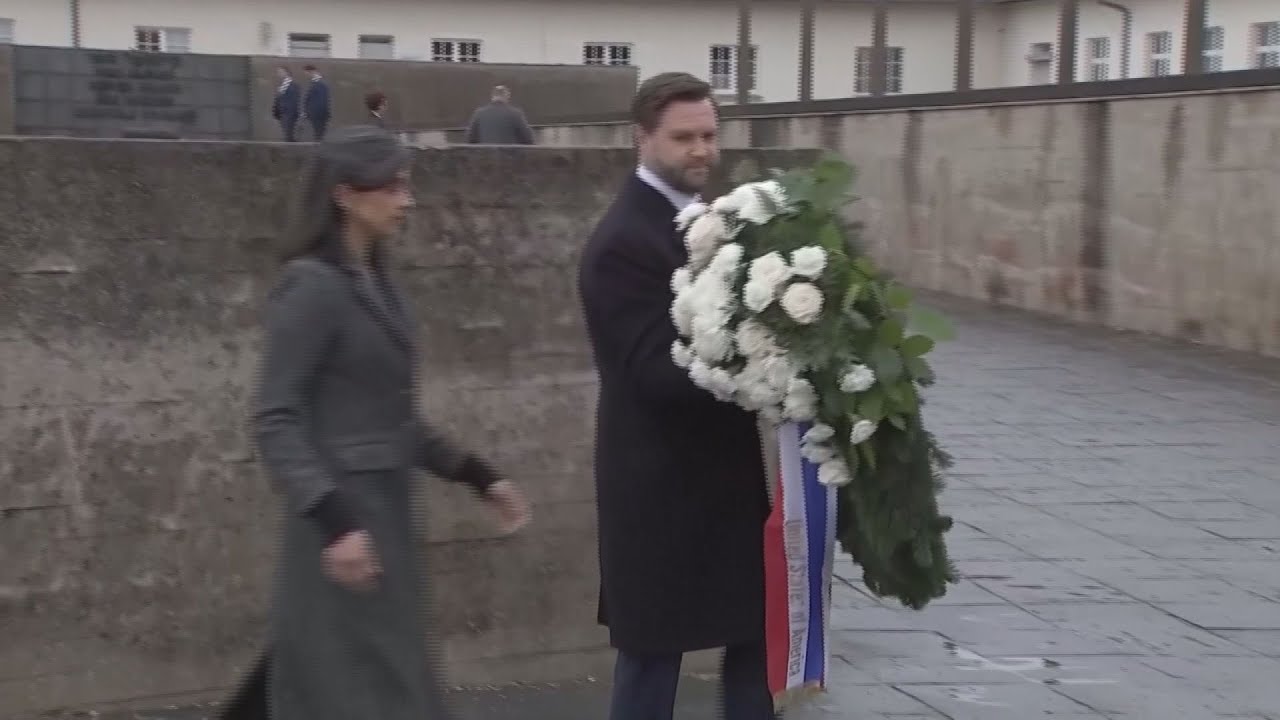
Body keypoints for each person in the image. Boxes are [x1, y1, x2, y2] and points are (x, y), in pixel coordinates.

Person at [235, 126, 532, 720]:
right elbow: (276, 419)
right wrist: (334, 522)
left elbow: (395, 420)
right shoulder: (310, 288)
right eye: (393, 187)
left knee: (366, 683)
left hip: (384, 524)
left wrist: (478, 476)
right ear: (345, 194)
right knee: (347, 688)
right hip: (340, 531)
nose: (407, 200)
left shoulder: (377, 283)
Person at [577, 73, 776, 720]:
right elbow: (649, 372)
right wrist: (765, 361)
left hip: (726, 480)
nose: (700, 151)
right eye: (683, 138)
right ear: (642, 139)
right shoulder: (620, 244)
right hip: (658, 487)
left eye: (710, 136)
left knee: (756, 636)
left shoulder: (716, 220)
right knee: (651, 656)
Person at [464, 85, 534, 145]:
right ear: (507, 96)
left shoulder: (479, 114)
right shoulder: (516, 114)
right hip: (509, 158)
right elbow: (529, 140)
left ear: (492, 96)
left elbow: (470, 139)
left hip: (485, 158)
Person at [302, 64, 331, 141]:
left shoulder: (320, 83)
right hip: (316, 113)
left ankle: (319, 149)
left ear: (312, 72)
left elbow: (321, 101)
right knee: (318, 132)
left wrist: (311, 112)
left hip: (318, 113)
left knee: (319, 133)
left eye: (306, 73)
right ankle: (318, 146)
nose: (306, 75)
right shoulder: (315, 82)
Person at [271, 66, 300, 142]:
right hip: (282, 113)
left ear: (286, 72)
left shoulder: (293, 85)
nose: (279, 74)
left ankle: (292, 150)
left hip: (289, 113)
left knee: (288, 134)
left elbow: (294, 101)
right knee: (287, 133)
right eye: (278, 72)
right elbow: (279, 99)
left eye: (280, 72)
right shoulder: (282, 85)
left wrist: (287, 111)